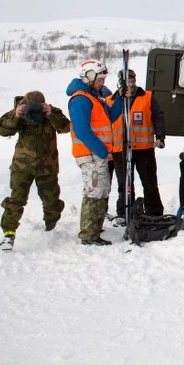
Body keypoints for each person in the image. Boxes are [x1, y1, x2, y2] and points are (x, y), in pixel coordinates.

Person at [0, 91, 71, 251]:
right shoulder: (19, 112)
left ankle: (51, 228)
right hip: (22, 167)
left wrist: (50, 114)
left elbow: (66, 127)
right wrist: (15, 116)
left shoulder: (51, 112)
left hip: (47, 167)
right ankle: (9, 234)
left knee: (51, 201)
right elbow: (1, 130)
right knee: (16, 200)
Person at [66, 60, 123, 246]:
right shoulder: (81, 99)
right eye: (100, 80)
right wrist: (100, 149)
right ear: (89, 77)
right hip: (90, 154)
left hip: (99, 154)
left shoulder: (94, 98)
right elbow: (82, 130)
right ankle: (89, 235)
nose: (102, 83)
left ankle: (95, 228)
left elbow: (110, 117)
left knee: (102, 190)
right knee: (94, 191)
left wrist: (120, 98)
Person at [107, 69, 166, 224]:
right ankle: (125, 213)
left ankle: (154, 212)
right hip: (120, 149)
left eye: (133, 81)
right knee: (124, 184)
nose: (132, 85)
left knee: (149, 182)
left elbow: (158, 117)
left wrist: (160, 137)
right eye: (128, 82)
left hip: (144, 148)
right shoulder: (111, 101)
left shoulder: (147, 97)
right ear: (121, 83)